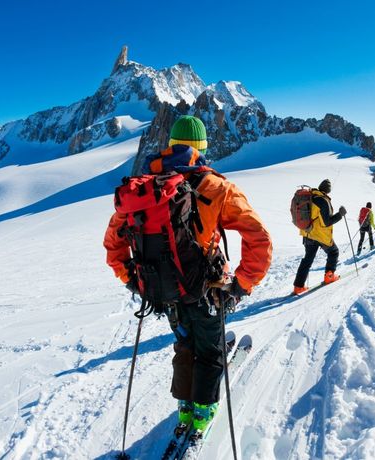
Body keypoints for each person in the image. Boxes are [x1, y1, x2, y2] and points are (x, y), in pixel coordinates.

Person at [103, 115, 272, 443]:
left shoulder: (145, 189)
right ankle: (203, 411)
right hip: (208, 291)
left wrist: (132, 280)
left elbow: (114, 242)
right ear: (203, 148)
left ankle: (184, 407)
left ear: (170, 147)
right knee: (209, 351)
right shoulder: (215, 187)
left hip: (164, 291)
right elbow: (259, 239)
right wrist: (240, 286)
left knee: (184, 345)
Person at [292, 179, 346, 295]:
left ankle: (298, 287)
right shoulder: (323, 200)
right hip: (320, 235)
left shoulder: (311, 197)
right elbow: (327, 222)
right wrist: (340, 215)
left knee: (307, 259)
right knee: (333, 252)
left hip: (307, 233)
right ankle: (329, 276)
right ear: (328, 190)